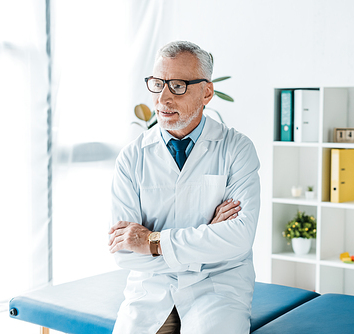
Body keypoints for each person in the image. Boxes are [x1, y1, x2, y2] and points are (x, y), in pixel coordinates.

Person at [107, 41, 261, 334]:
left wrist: (151, 242)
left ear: (207, 92)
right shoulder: (131, 157)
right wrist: (208, 241)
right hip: (151, 289)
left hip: (217, 288)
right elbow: (124, 253)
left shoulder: (236, 149)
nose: (163, 98)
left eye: (177, 85)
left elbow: (240, 237)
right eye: (157, 84)